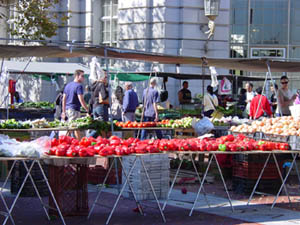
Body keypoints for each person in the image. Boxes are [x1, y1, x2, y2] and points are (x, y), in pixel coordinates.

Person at [61, 69, 89, 139]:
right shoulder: (79, 86)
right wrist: (87, 109)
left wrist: (63, 111)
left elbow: (64, 99)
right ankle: (66, 142)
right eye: (82, 76)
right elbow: (81, 100)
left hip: (67, 109)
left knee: (73, 128)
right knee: (73, 128)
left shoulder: (68, 85)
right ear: (77, 76)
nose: (83, 78)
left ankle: (77, 142)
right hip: (74, 110)